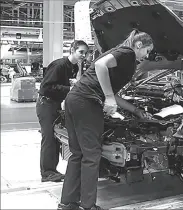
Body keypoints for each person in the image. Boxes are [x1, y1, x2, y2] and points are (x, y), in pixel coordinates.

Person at [58, 29, 154, 210]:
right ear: (139, 45)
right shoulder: (127, 53)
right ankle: (88, 205)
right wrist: (108, 98)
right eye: (147, 51)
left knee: (77, 154)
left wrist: (135, 110)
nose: (146, 56)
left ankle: (67, 203)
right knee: (92, 155)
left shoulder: (118, 52)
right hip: (87, 102)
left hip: (74, 99)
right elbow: (101, 65)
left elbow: (110, 90)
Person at [36, 40, 89, 182]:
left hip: (56, 104)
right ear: (72, 50)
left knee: (55, 138)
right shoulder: (58, 65)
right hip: (46, 103)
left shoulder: (74, 68)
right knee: (48, 138)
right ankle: (46, 173)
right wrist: (69, 89)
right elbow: (46, 87)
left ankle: (52, 170)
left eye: (86, 53)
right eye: (81, 52)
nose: (83, 55)